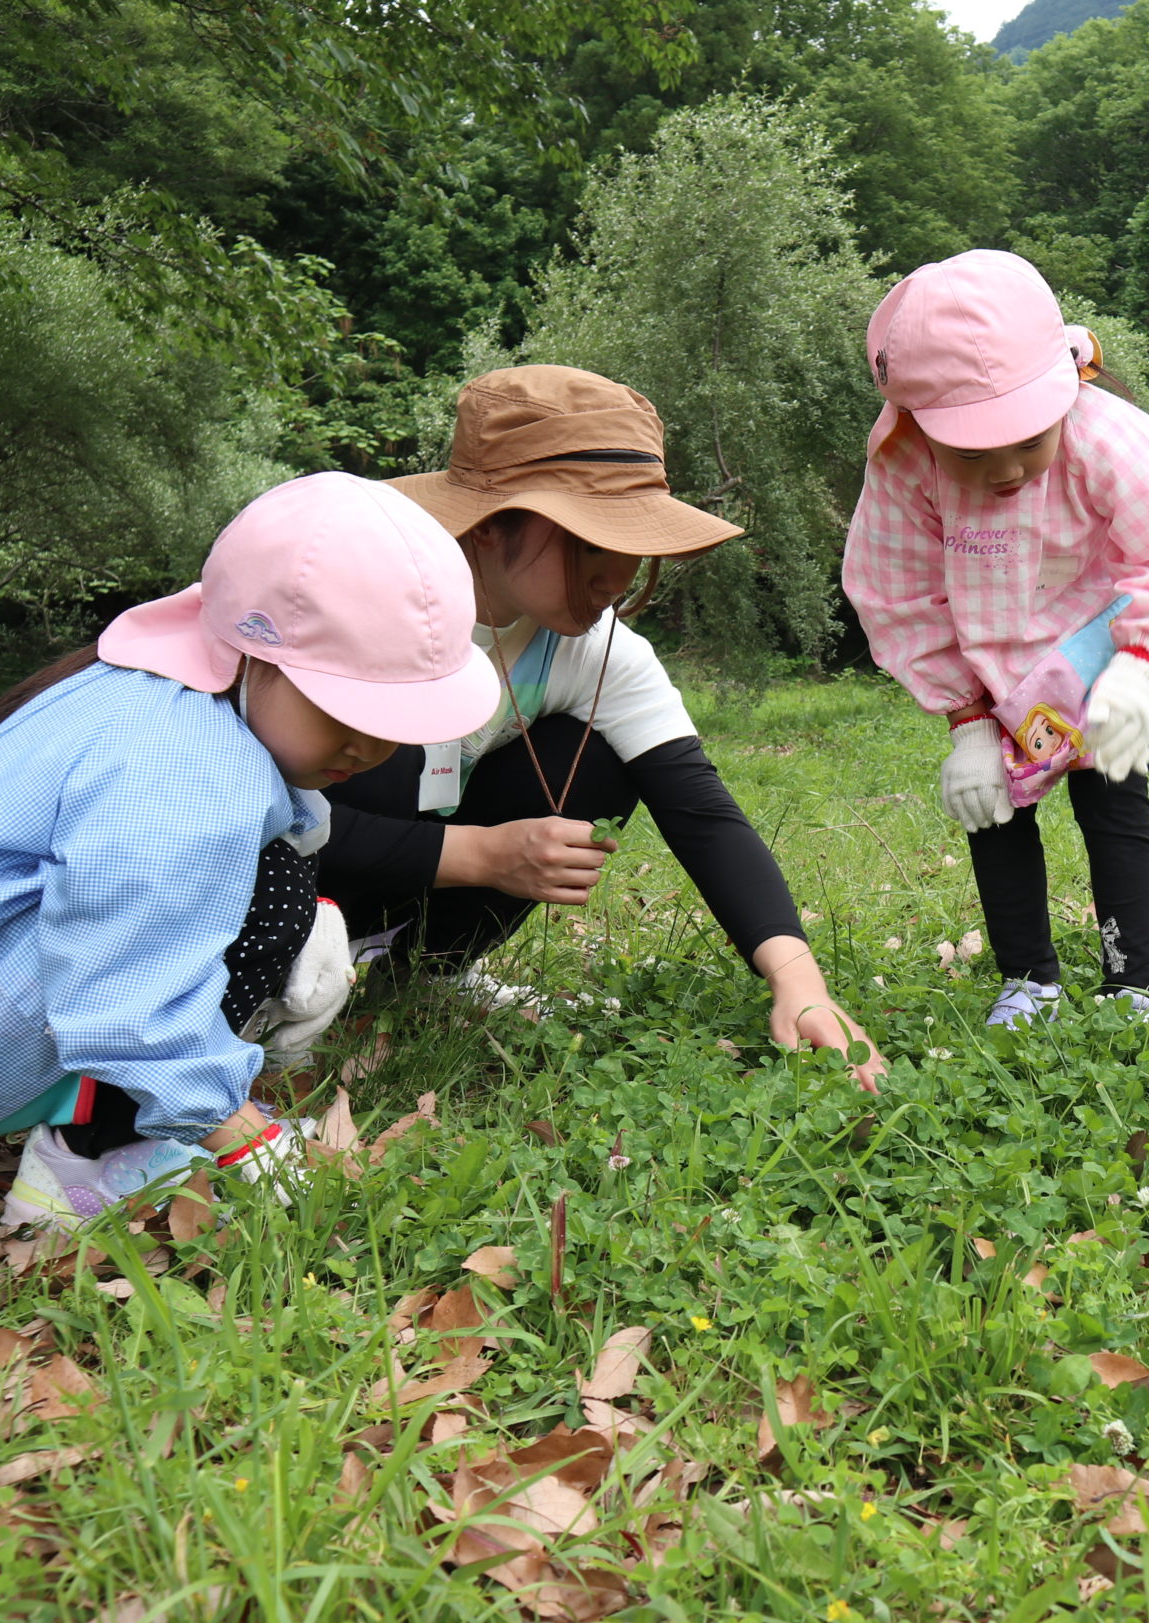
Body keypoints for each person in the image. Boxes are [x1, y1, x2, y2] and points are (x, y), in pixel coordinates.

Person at [0, 473, 498, 1229]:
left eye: (394, 722)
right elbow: (129, 994)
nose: (370, 746)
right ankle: (87, 1160)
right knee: (273, 892)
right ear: (256, 655)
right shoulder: (185, 770)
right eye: (343, 707)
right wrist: (244, 1136)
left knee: (280, 882)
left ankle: (105, 1111)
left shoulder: (164, 685)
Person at [321, 365, 884, 1090]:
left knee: (598, 757)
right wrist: (482, 854)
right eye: (589, 542)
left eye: (633, 542)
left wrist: (799, 982)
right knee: (384, 753)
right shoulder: (362, 611)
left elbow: (702, 813)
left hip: (416, 872)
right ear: (490, 525)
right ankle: (289, 980)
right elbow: (257, 817)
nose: (615, 577)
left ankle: (422, 976)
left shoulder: (596, 648)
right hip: (283, 882)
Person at [841, 250, 1149, 1027]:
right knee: (995, 809)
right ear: (918, 425)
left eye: (1027, 441)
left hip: (1102, 647)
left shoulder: (1108, 435)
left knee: (1113, 797)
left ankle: (1130, 984)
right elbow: (898, 592)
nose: (1007, 471)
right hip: (993, 664)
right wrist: (966, 723)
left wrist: (1141, 666)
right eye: (972, 453)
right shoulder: (906, 465)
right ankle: (1027, 980)